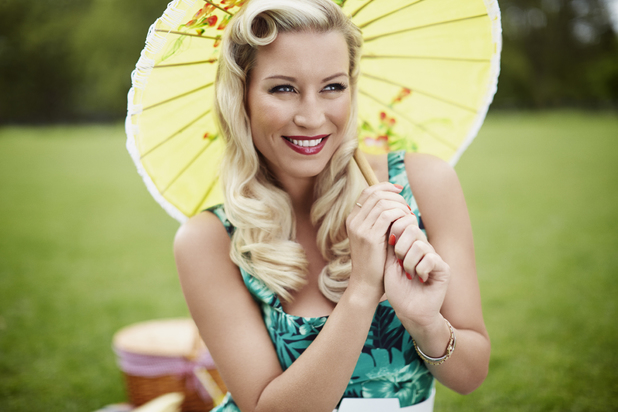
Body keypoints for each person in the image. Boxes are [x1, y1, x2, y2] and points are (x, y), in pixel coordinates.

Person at [174, 0, 490, 410]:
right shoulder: (209, 240)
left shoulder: (424, 185)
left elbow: (470, 376)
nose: (311, 117)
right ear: (242, 97)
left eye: (332, 87)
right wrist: (362, 290)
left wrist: (425, 321)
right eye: (283, 88)